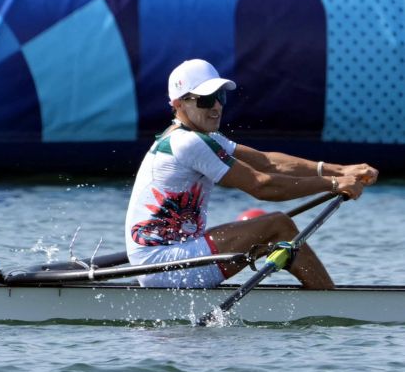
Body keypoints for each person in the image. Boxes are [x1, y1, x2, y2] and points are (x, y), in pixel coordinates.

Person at [124, 59, 378, 289]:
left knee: (273, 228)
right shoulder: (187, 143)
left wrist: (341, 170)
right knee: (279, 226)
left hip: (171, 258)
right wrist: (334, 184)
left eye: (220, 96)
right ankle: (331, 306)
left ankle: (325, 298)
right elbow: (262, 185)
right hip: (163, 266)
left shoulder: (201, 137)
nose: (216, 107)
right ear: (178, 104)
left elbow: (268, 163)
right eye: (205, 99)